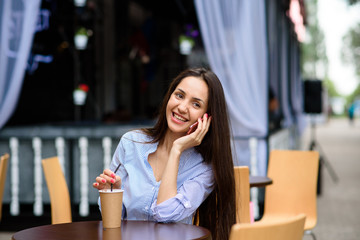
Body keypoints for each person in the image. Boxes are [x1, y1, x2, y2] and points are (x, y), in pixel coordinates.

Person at [93, 67, 236, 239]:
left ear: (207, 118)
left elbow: (166, 214)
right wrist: (113, 192)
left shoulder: (205, 169)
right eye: (179, 95)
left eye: (196, 104)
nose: (182, 107)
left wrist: (176, 149)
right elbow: (114, 223)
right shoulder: (131, 143)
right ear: (169, 96)